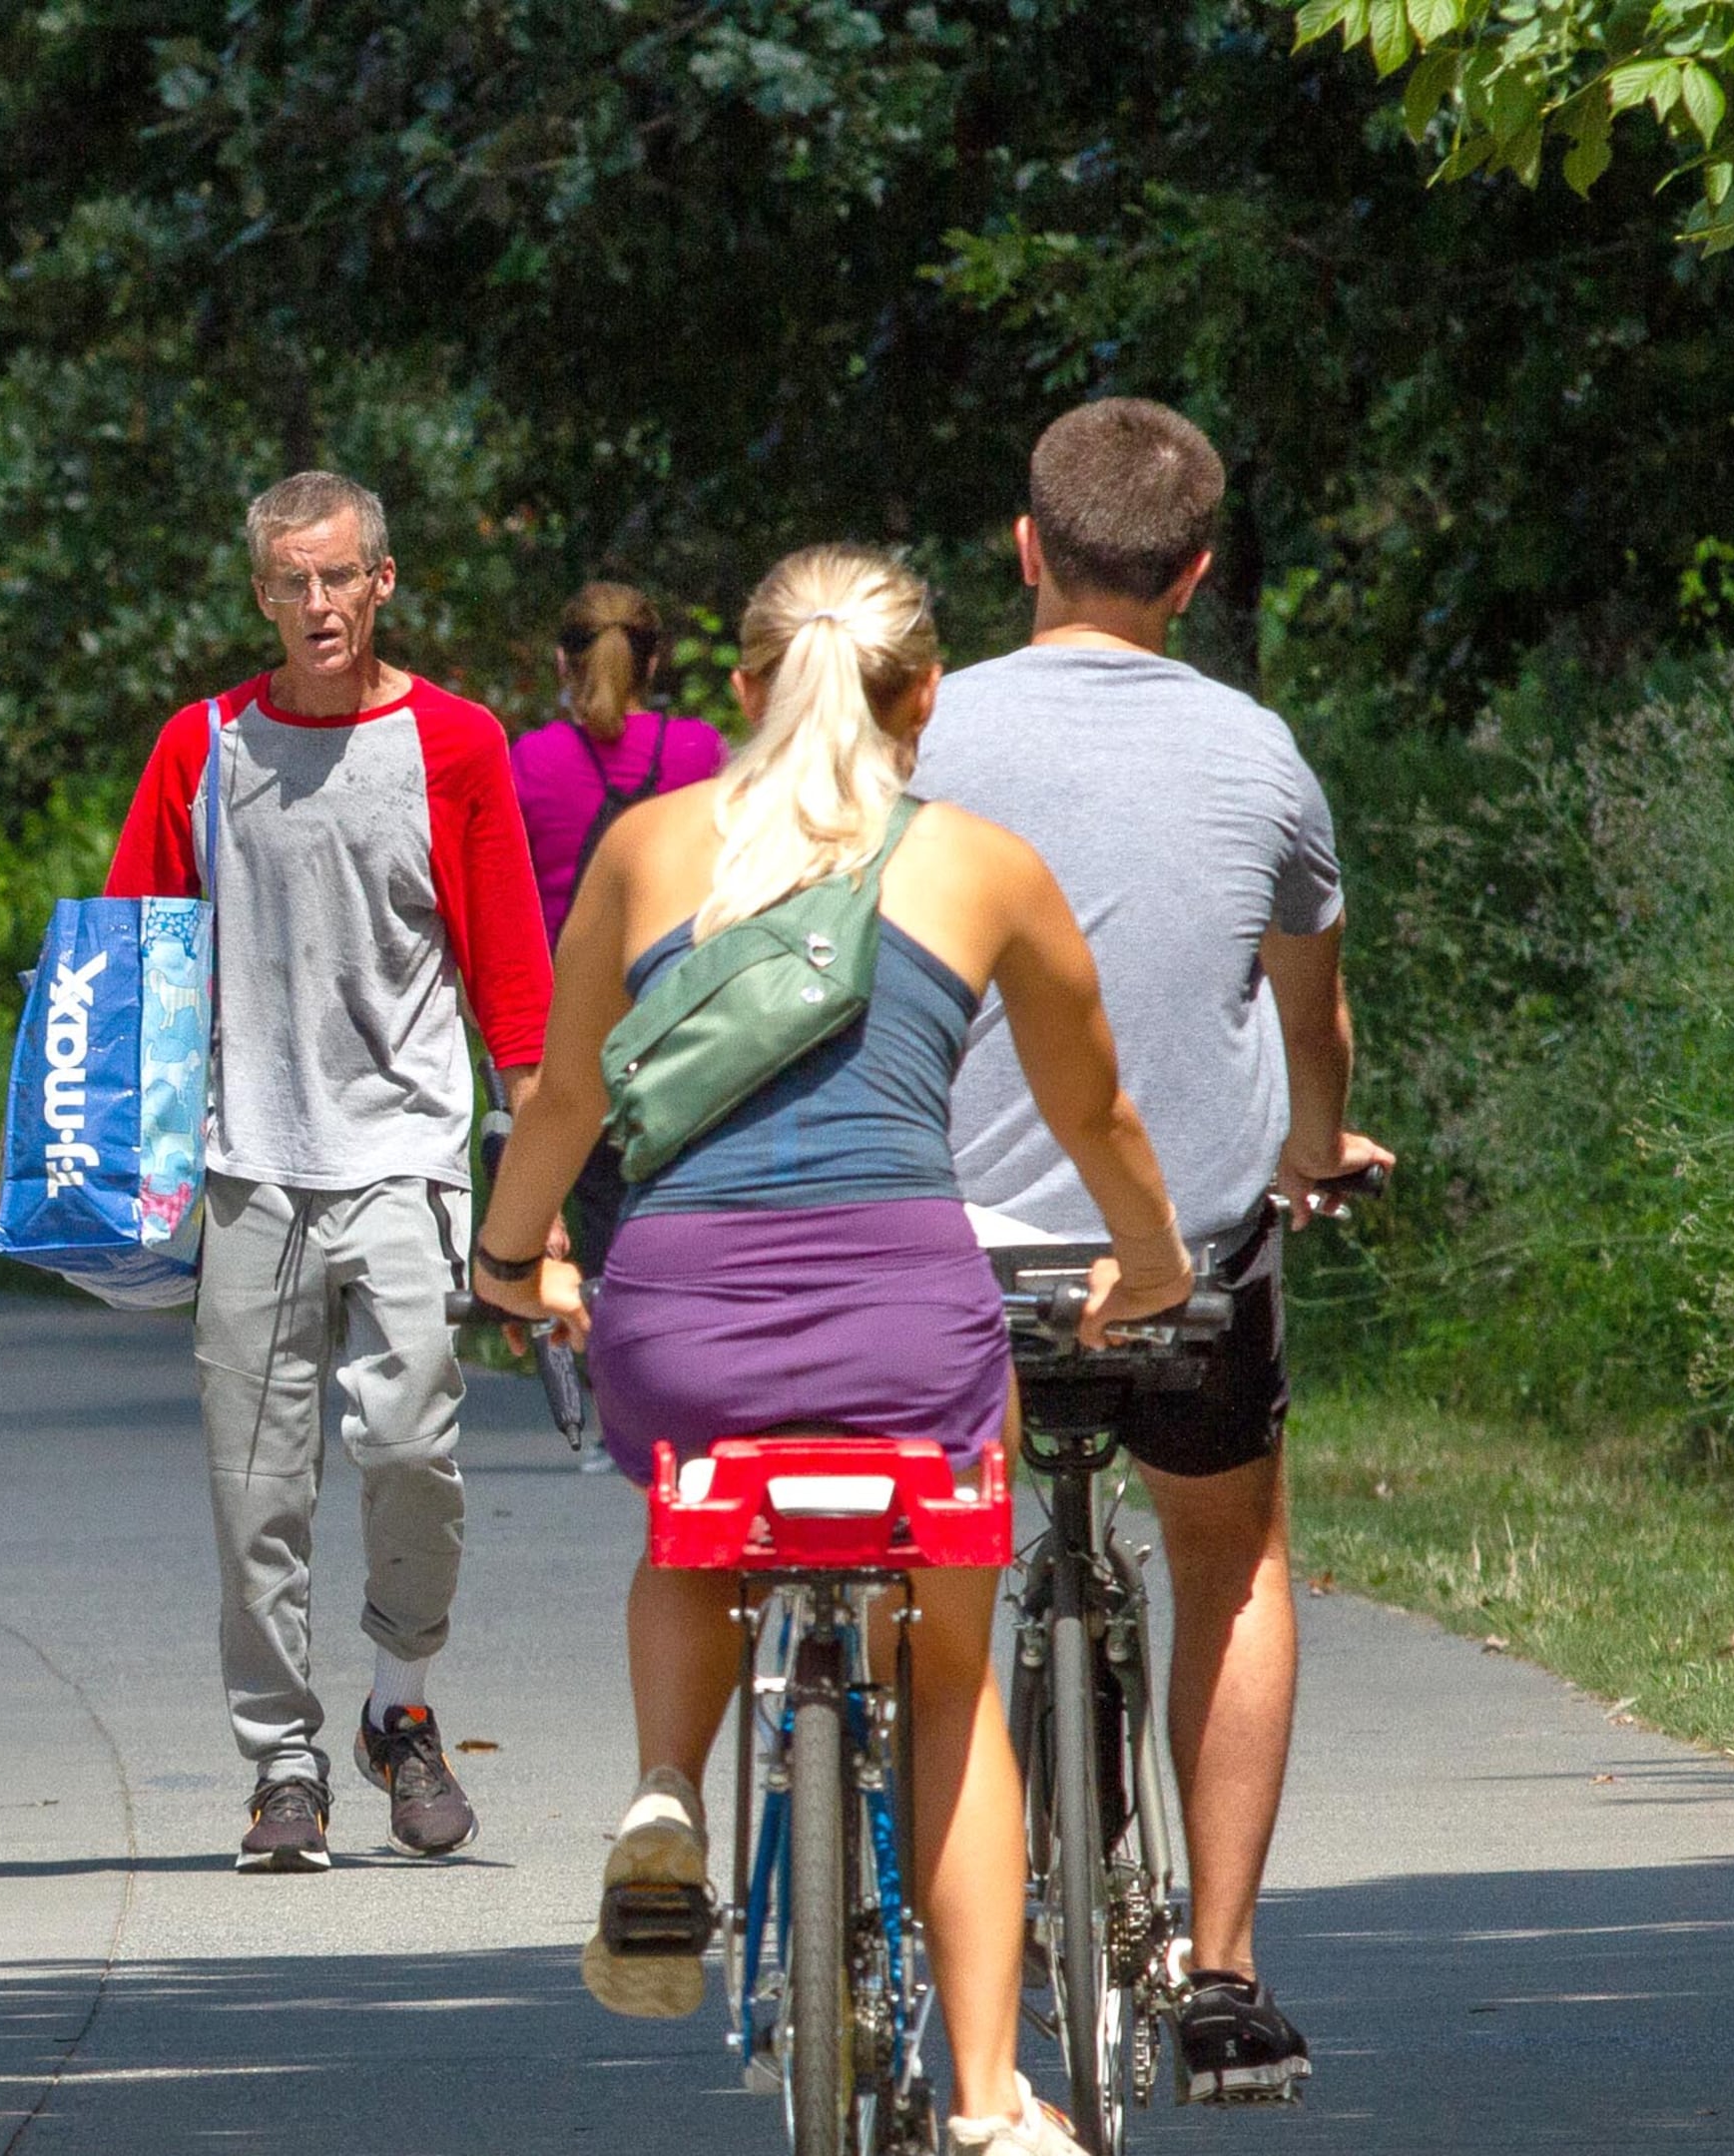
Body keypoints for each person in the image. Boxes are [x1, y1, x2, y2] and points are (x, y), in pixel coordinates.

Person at [474, 542, 1193, 2156]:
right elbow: (1097, 1113)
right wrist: (1146, 1268)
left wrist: (514, 1261)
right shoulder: (985, 867)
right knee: (950, 1687)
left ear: (737, 689)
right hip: (906, 1323)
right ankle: (994, 2102)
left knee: (692, 1510)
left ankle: (667, 1783)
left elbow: (568, 1101)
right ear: (927, 694)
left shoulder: (650, 847)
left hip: (681, 1319)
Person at [906, 397, 1386, 2104]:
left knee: (929, 1583)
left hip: (946, 1260)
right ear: (1191, 571)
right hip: (1176, 1253)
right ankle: (1225, 1968)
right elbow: (1306, 1024)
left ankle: (918, 1948)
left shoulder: (919, 731)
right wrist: (1316, 1150)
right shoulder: (1260, 754)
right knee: (1232, 1555)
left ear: (1025, 548)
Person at [98, 470, 551, 1873]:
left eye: (338, 578)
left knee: (413, 1445)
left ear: (382, 582)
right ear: (261, 596)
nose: (316, 606)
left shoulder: (456, 743)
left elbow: (513, 978)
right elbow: (130, 955)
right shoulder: (204, 744)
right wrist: (106, 1162)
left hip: (406, 1147)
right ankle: (282, 1764)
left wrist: (546, 1202)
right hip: (248, 1162)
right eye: (290, 583)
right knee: (258, 1488)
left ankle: (396, 1705)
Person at [509, 583, 729, 945]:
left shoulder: (534, 757)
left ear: (563, 663)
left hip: (564, 993)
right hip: (675, 990)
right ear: (652, 664)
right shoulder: (701, 749)